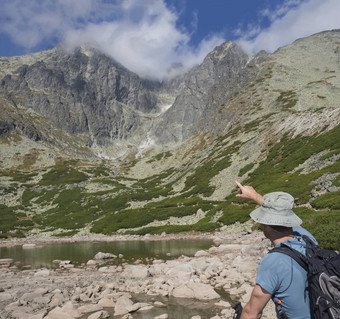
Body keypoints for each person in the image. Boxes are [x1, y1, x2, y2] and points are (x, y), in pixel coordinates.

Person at [235, 181, 317, 319]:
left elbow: (252, 313)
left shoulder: (274, 261)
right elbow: (291, 222)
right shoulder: (307, 238)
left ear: (264, 224)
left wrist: (255, 196)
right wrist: (254, 196)